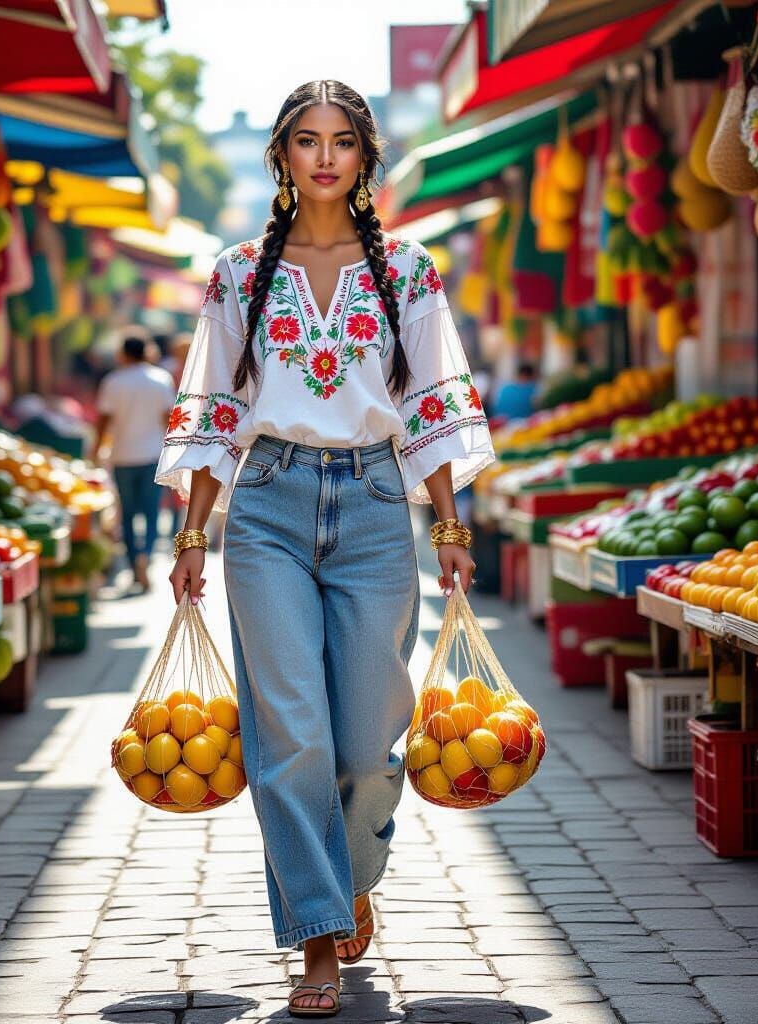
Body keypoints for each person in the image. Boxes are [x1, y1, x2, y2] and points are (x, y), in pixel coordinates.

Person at [156, 81, 494, 1018]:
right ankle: (317, 937)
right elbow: (218, 410)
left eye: (342, 141)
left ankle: (348, 880)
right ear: (282, 155)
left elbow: (430, 402)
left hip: (379, 508)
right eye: (306, 141)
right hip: (264, 506)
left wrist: (450, 525)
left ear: (364, 156)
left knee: (368, 743)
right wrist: (193, 531)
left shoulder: (408, 270)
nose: (325, 157)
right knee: (290, 731)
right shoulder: (237, 272)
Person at [94, 331, 176, 591]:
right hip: (153, 455)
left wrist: (95, 450)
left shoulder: (113, 381)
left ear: (123, 353)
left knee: (127, 515)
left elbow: (103, 421)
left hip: (123, 455)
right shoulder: (160, 379)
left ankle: (133, 563)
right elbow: (169, 419)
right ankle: (146, 557)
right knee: (152, 512)